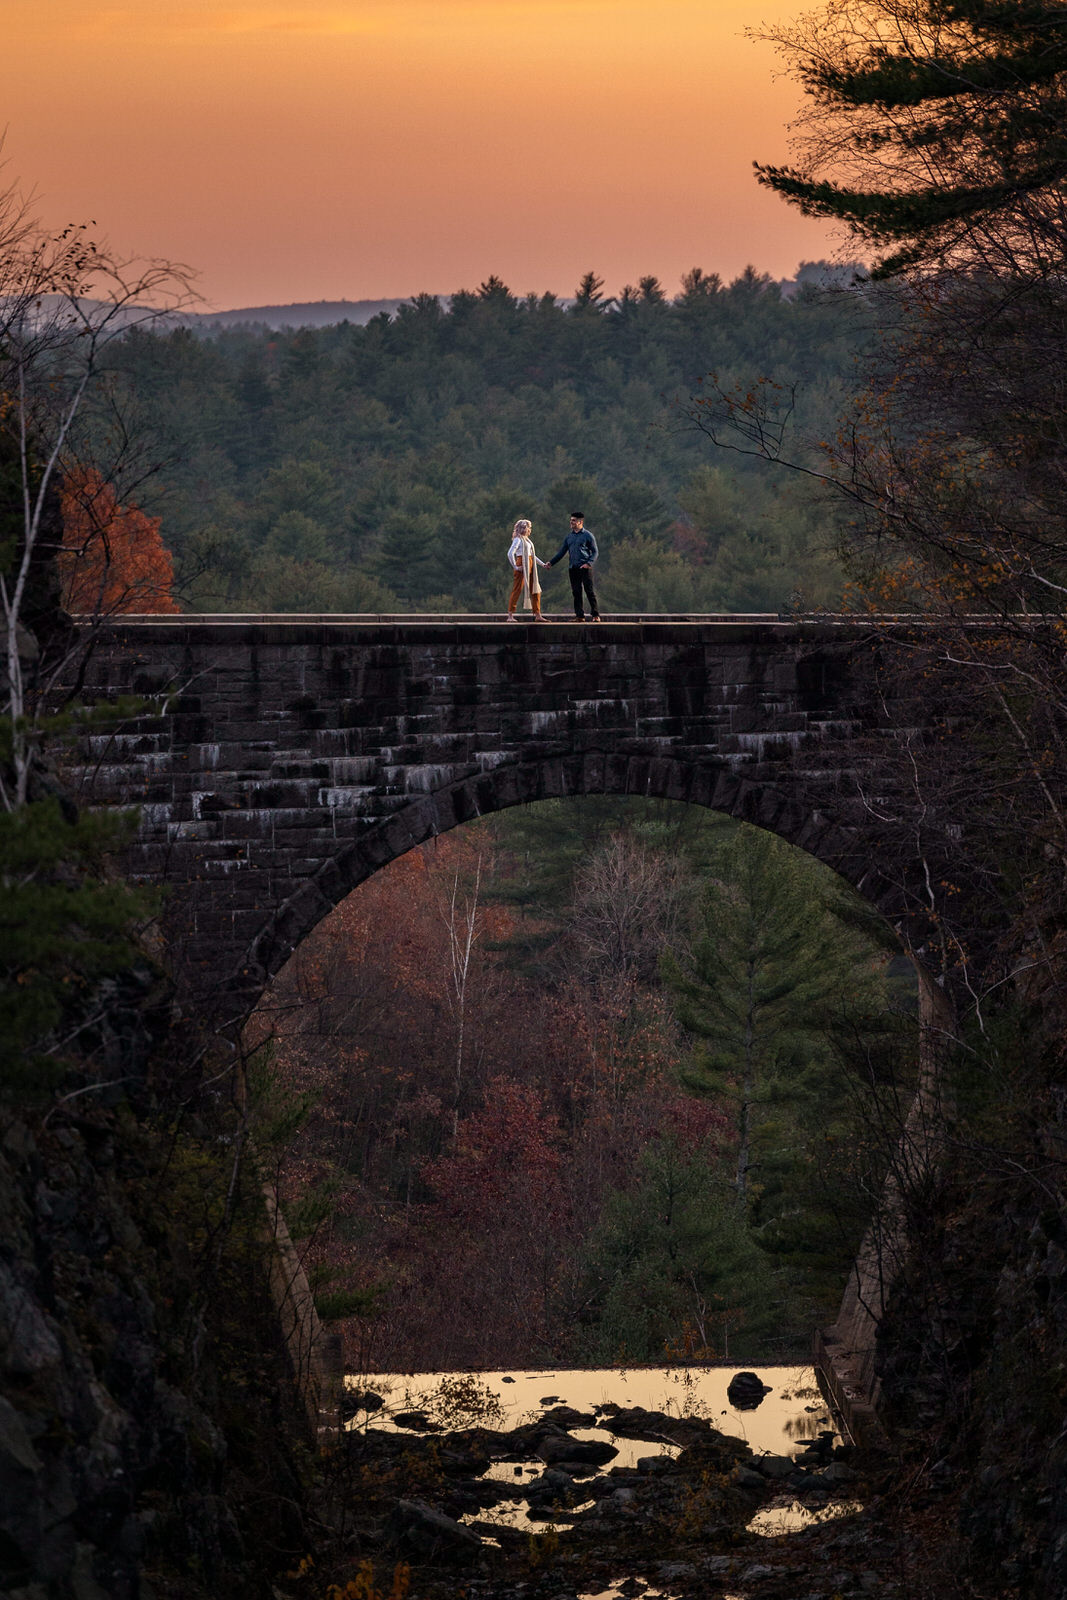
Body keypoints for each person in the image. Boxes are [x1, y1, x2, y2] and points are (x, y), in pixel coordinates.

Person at [545, 511, 601, 621]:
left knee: (589, 591)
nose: (571, 522)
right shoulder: (569, 537)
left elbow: (595, 552)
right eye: (571, 520)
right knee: (576, 592)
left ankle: (595, 615)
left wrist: (589, 563)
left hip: (585, 568)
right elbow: (562, 552)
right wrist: (551, 563)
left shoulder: (588, 535)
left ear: (580, 522)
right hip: (573, 568)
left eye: (574, 520)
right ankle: (580, 616)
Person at [506, 518, 547, 620]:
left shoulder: (527, 540)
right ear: (524, 529)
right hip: (522, 563)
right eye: (529, 528)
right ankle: (510, 615)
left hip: (530, 563)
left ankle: (537, 614)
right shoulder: (518, 540)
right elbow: (510, 553)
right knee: (517, 589)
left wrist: (543, 564)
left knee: (536, 589)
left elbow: (532, 555)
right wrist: (515, 566)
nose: (530, 530)